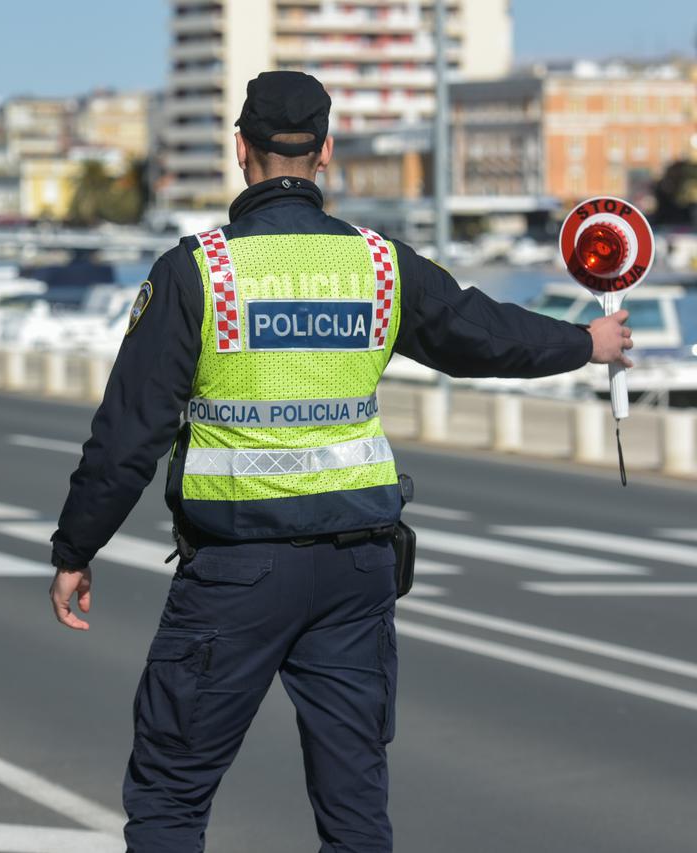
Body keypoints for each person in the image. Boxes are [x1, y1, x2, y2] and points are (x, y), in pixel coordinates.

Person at [46, 70, 633, 853]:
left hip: (237, 574)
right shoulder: (380, 265)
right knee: (355, 810)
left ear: (241, 151)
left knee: (171, 797)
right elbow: (479, 333)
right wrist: (583, 344)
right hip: (356, 575)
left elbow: (128, 434)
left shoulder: (199, 272)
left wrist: (76, 548)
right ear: (325, 153)